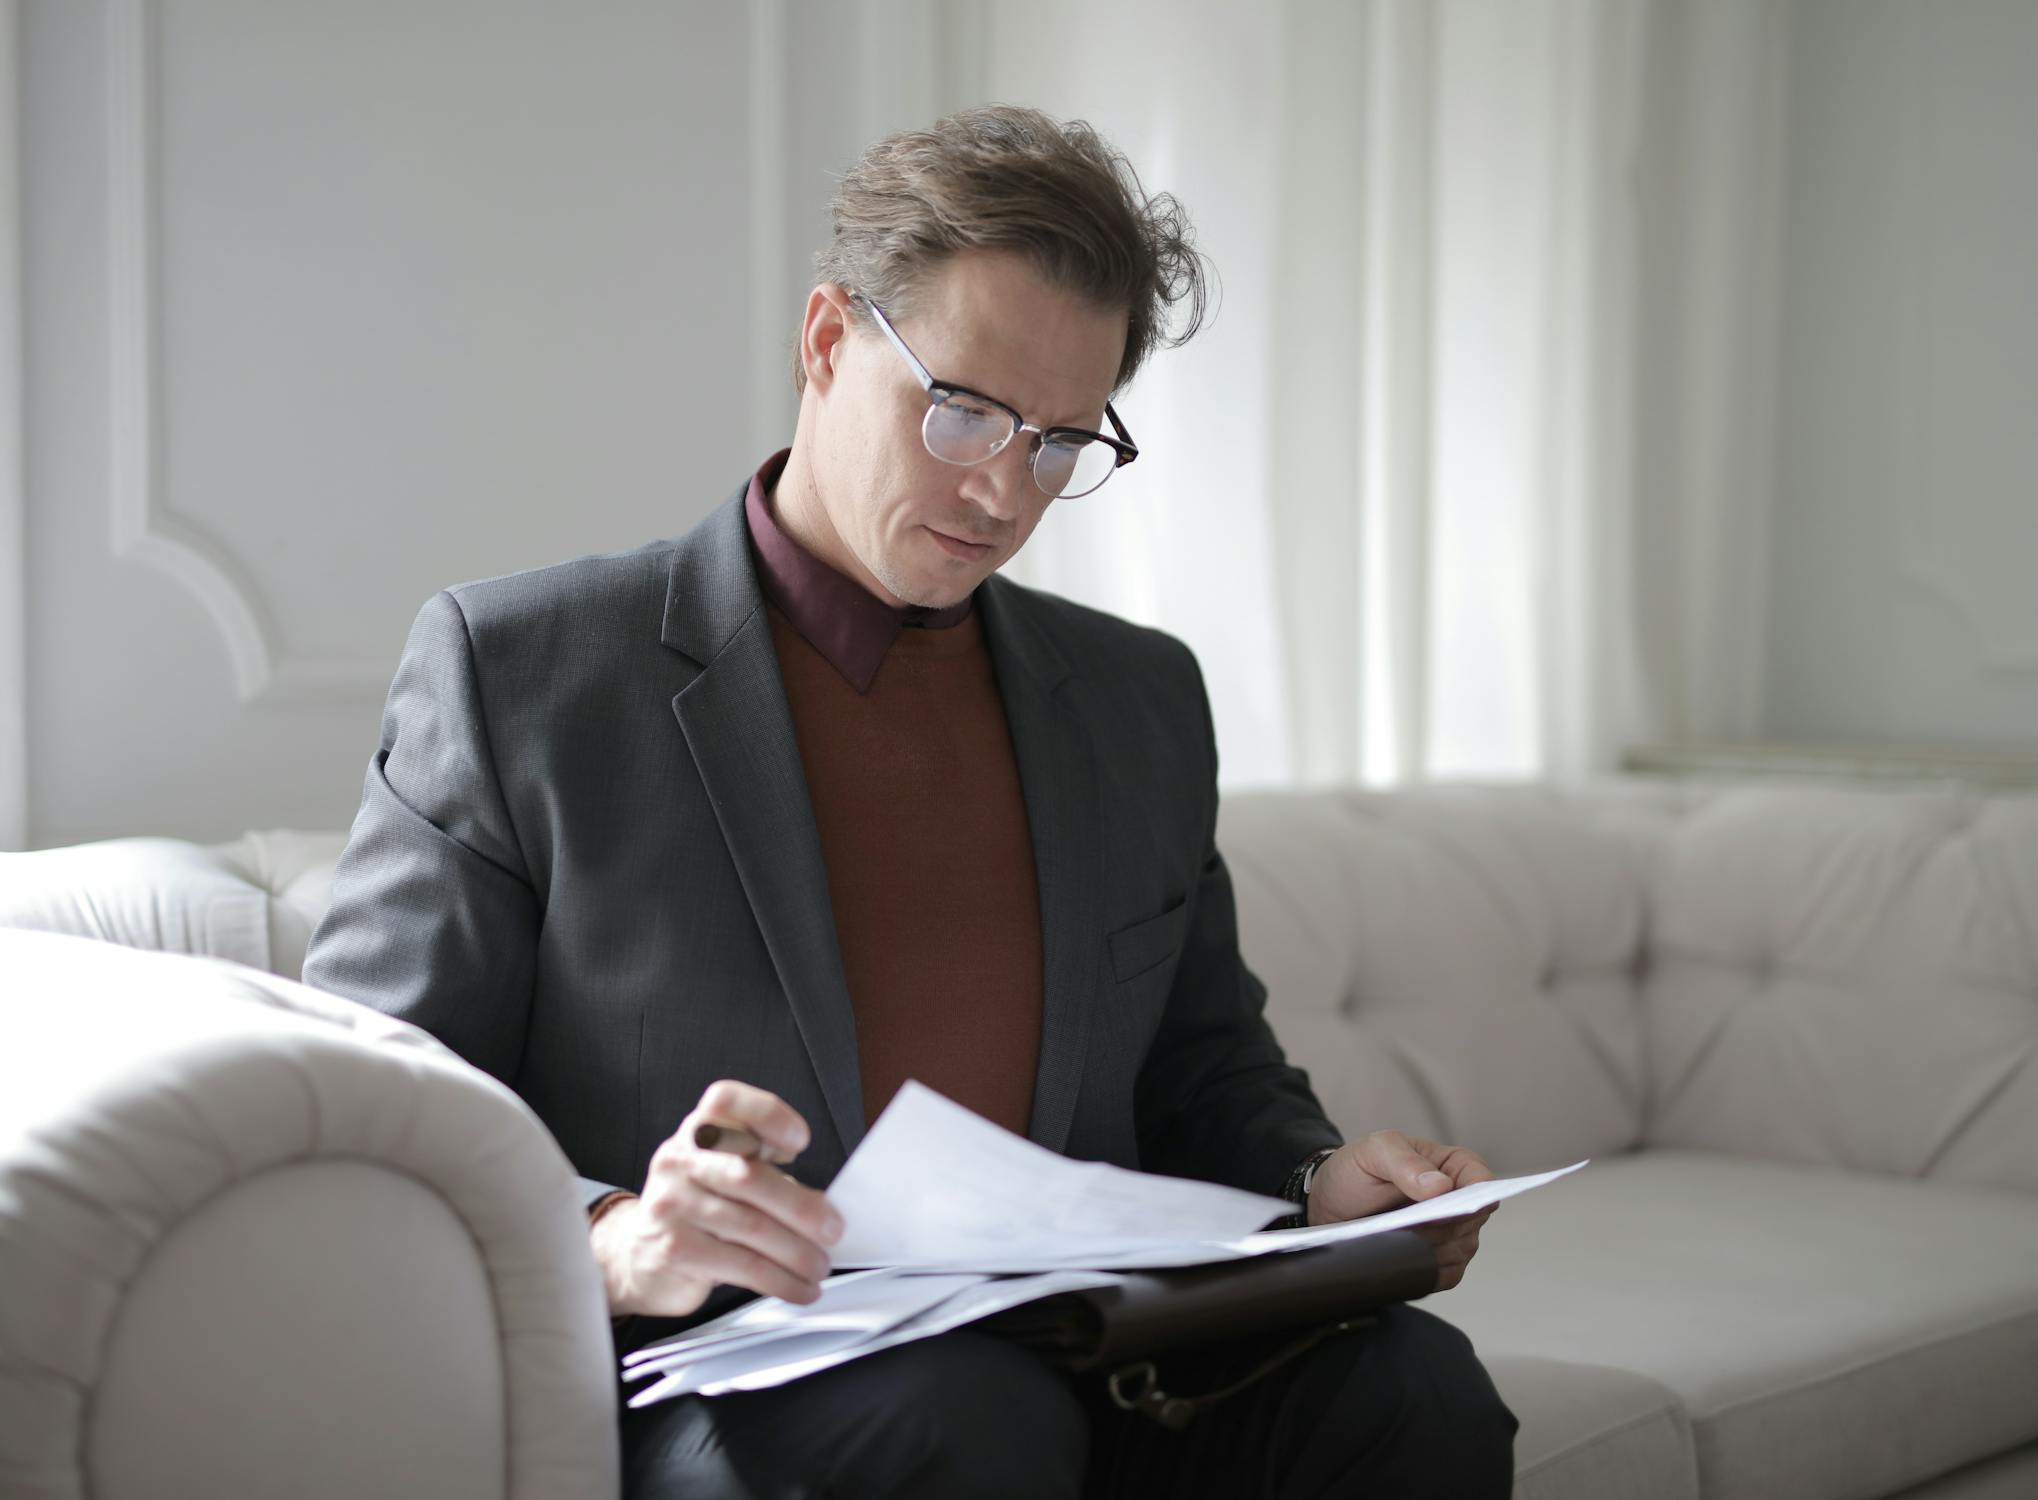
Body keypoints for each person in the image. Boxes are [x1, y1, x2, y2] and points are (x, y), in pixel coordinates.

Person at [303, 103, 1518, 1498]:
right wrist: (620, 1237)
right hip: (732, 1371)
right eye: (962, 411)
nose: (1003, 490)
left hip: (1083, 1344)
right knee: (959, 1425)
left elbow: (1198, 1066)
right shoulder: (522, 675)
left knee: (1411, 1392)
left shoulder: (1135, 699)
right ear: (827, 342)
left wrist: (1320, 1194)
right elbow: (378, 1123)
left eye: (1063, 443)